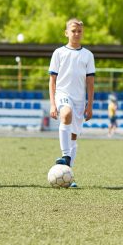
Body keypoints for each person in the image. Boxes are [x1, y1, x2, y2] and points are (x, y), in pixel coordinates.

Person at [49, 18, 95, 188]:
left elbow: (90, 83)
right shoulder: (59, 53)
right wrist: (53, 104)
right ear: (66, 32)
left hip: (79, 100)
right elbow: (52, 80)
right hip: (63, 94)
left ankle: (68, 172)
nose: (76, 34)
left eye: (79, 31)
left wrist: (89, 105)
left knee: (74, 136)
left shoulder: (88, 55)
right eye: (73, 30)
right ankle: (65, 155)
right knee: (65, 114)